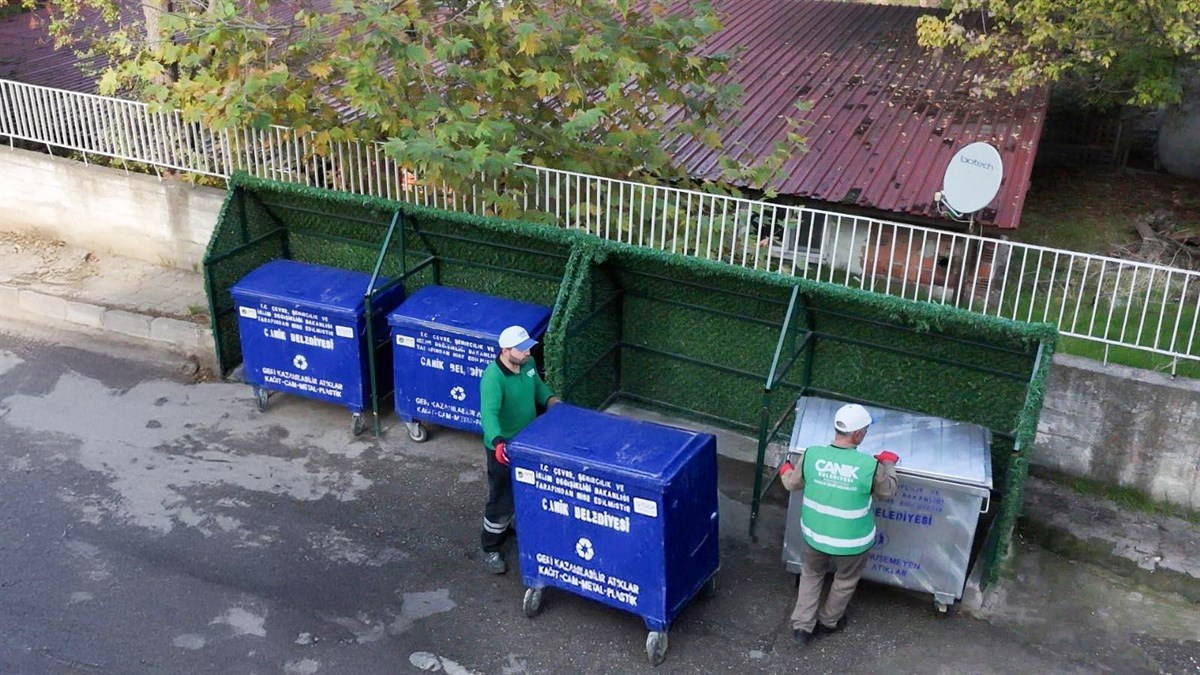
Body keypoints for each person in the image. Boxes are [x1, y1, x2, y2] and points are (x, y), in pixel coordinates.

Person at [778, 403, 898, 647]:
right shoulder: (869, 465)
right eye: (864, 430)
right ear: (857, 435)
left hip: (815, 535)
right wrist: (888, 464)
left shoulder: (811, 454)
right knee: (845, 580)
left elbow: (791, 483)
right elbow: (888, 491)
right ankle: (829, 622)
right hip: (853, 542)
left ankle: (802, 628)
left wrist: (784, 469)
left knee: (811, 575)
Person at [477, 324, 559, 574]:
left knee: (526, 490)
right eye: (521, 350)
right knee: (502, 499)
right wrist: (499, 441)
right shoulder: (493, 377)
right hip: (504, 448)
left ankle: (509, 527)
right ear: (505, 350)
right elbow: (488, 414)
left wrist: (552, 401)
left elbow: (539, 389)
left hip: (528, 441)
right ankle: (490, 547)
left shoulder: (529, 365)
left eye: (527, 349)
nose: (527, 353)